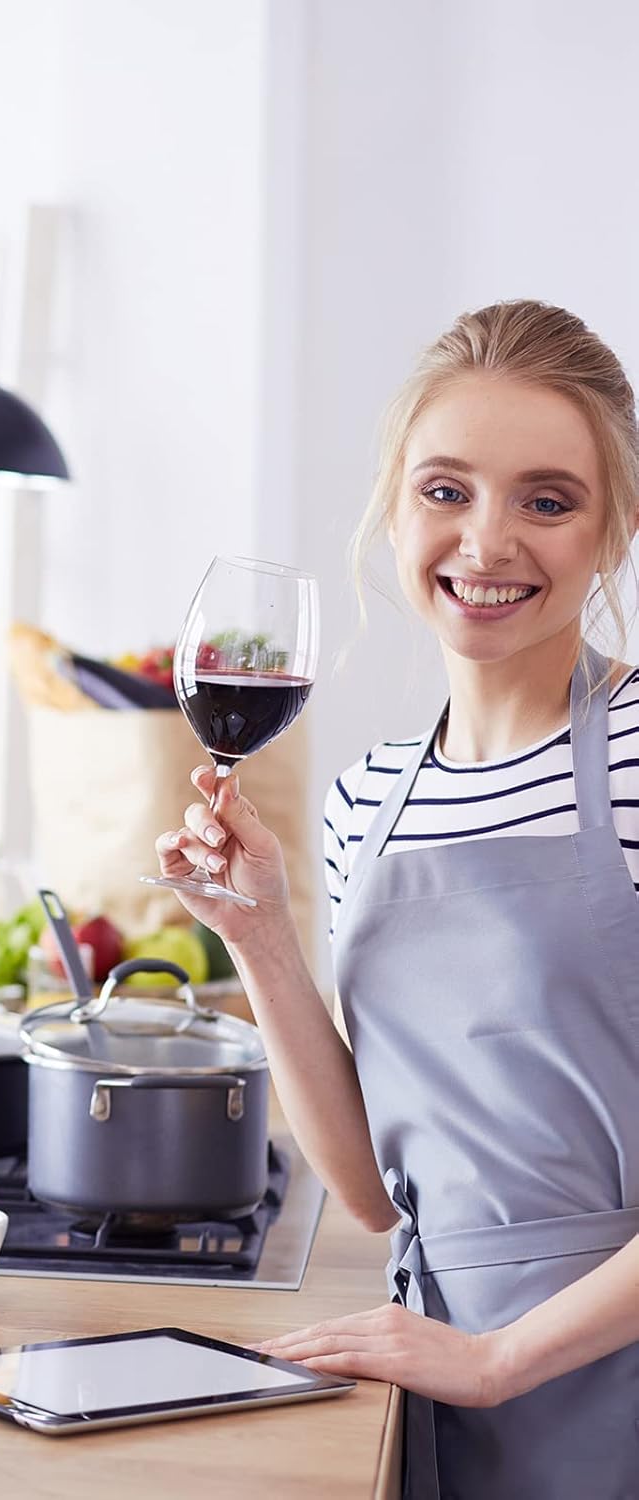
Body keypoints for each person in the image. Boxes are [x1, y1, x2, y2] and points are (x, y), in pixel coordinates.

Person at [157, 300, 639, 1500]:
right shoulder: (367, 799)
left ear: (615, 530)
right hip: (427, 1369)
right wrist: (260, 933)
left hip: (598, 1377)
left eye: (547, 499)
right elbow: (371, 1193)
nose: (486, 543)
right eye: (444, 491)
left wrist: (500, 1358)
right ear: (393, 510)